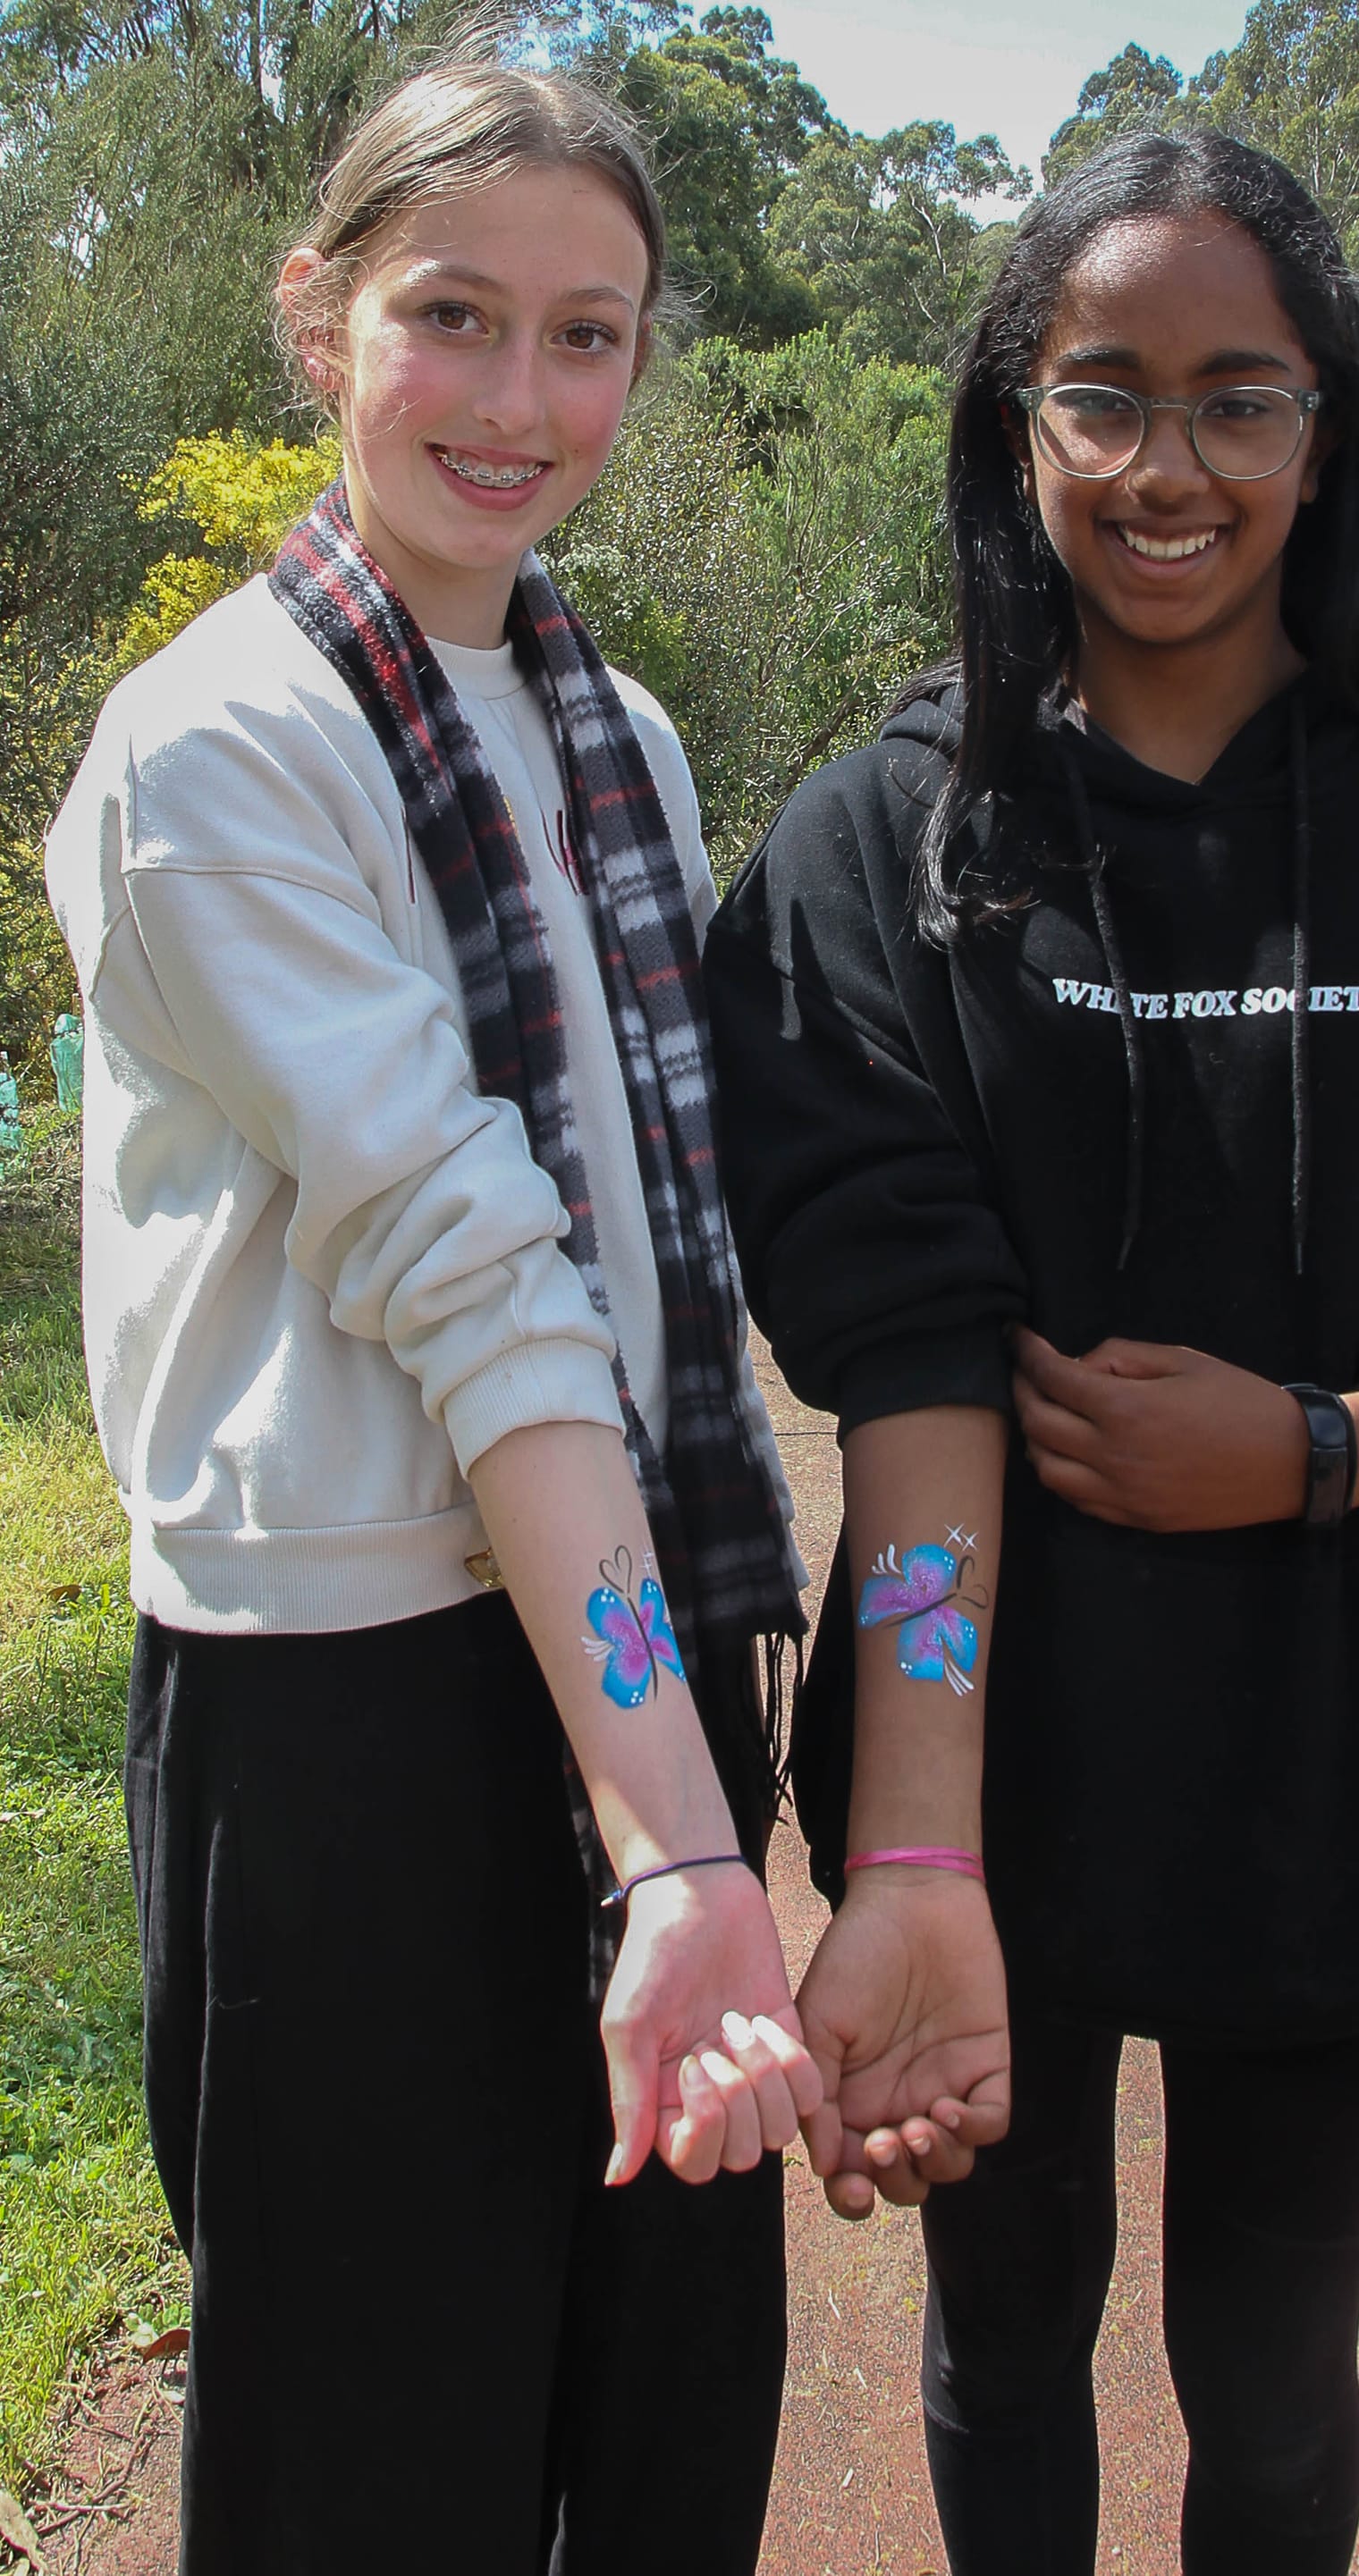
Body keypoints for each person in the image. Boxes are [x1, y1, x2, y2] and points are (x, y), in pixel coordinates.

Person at [703, 131, 1359, 2576]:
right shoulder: (885, 839)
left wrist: (1332, 1443)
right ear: (1016, 427)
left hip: (1341, 1767)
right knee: (1003, 2340)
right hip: (995, 1787)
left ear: (1331, 433)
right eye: (1105, 398)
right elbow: (908, 1356)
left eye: (1239, 401)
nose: (1170, 467)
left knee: (1270, 2388)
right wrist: (924, 1842)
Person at [46, 60, 823, 2576]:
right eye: (452, 317)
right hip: (360, 1706)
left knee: (667, 2410)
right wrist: (685, 1838)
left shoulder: (633, 740)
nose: (519, 401)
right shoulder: (216, 750)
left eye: (586, 337)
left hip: (643, 1662)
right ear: (317, 314)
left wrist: (703, 1798)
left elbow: (653, 1231)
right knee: (379, 2461)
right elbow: (489, 1288)